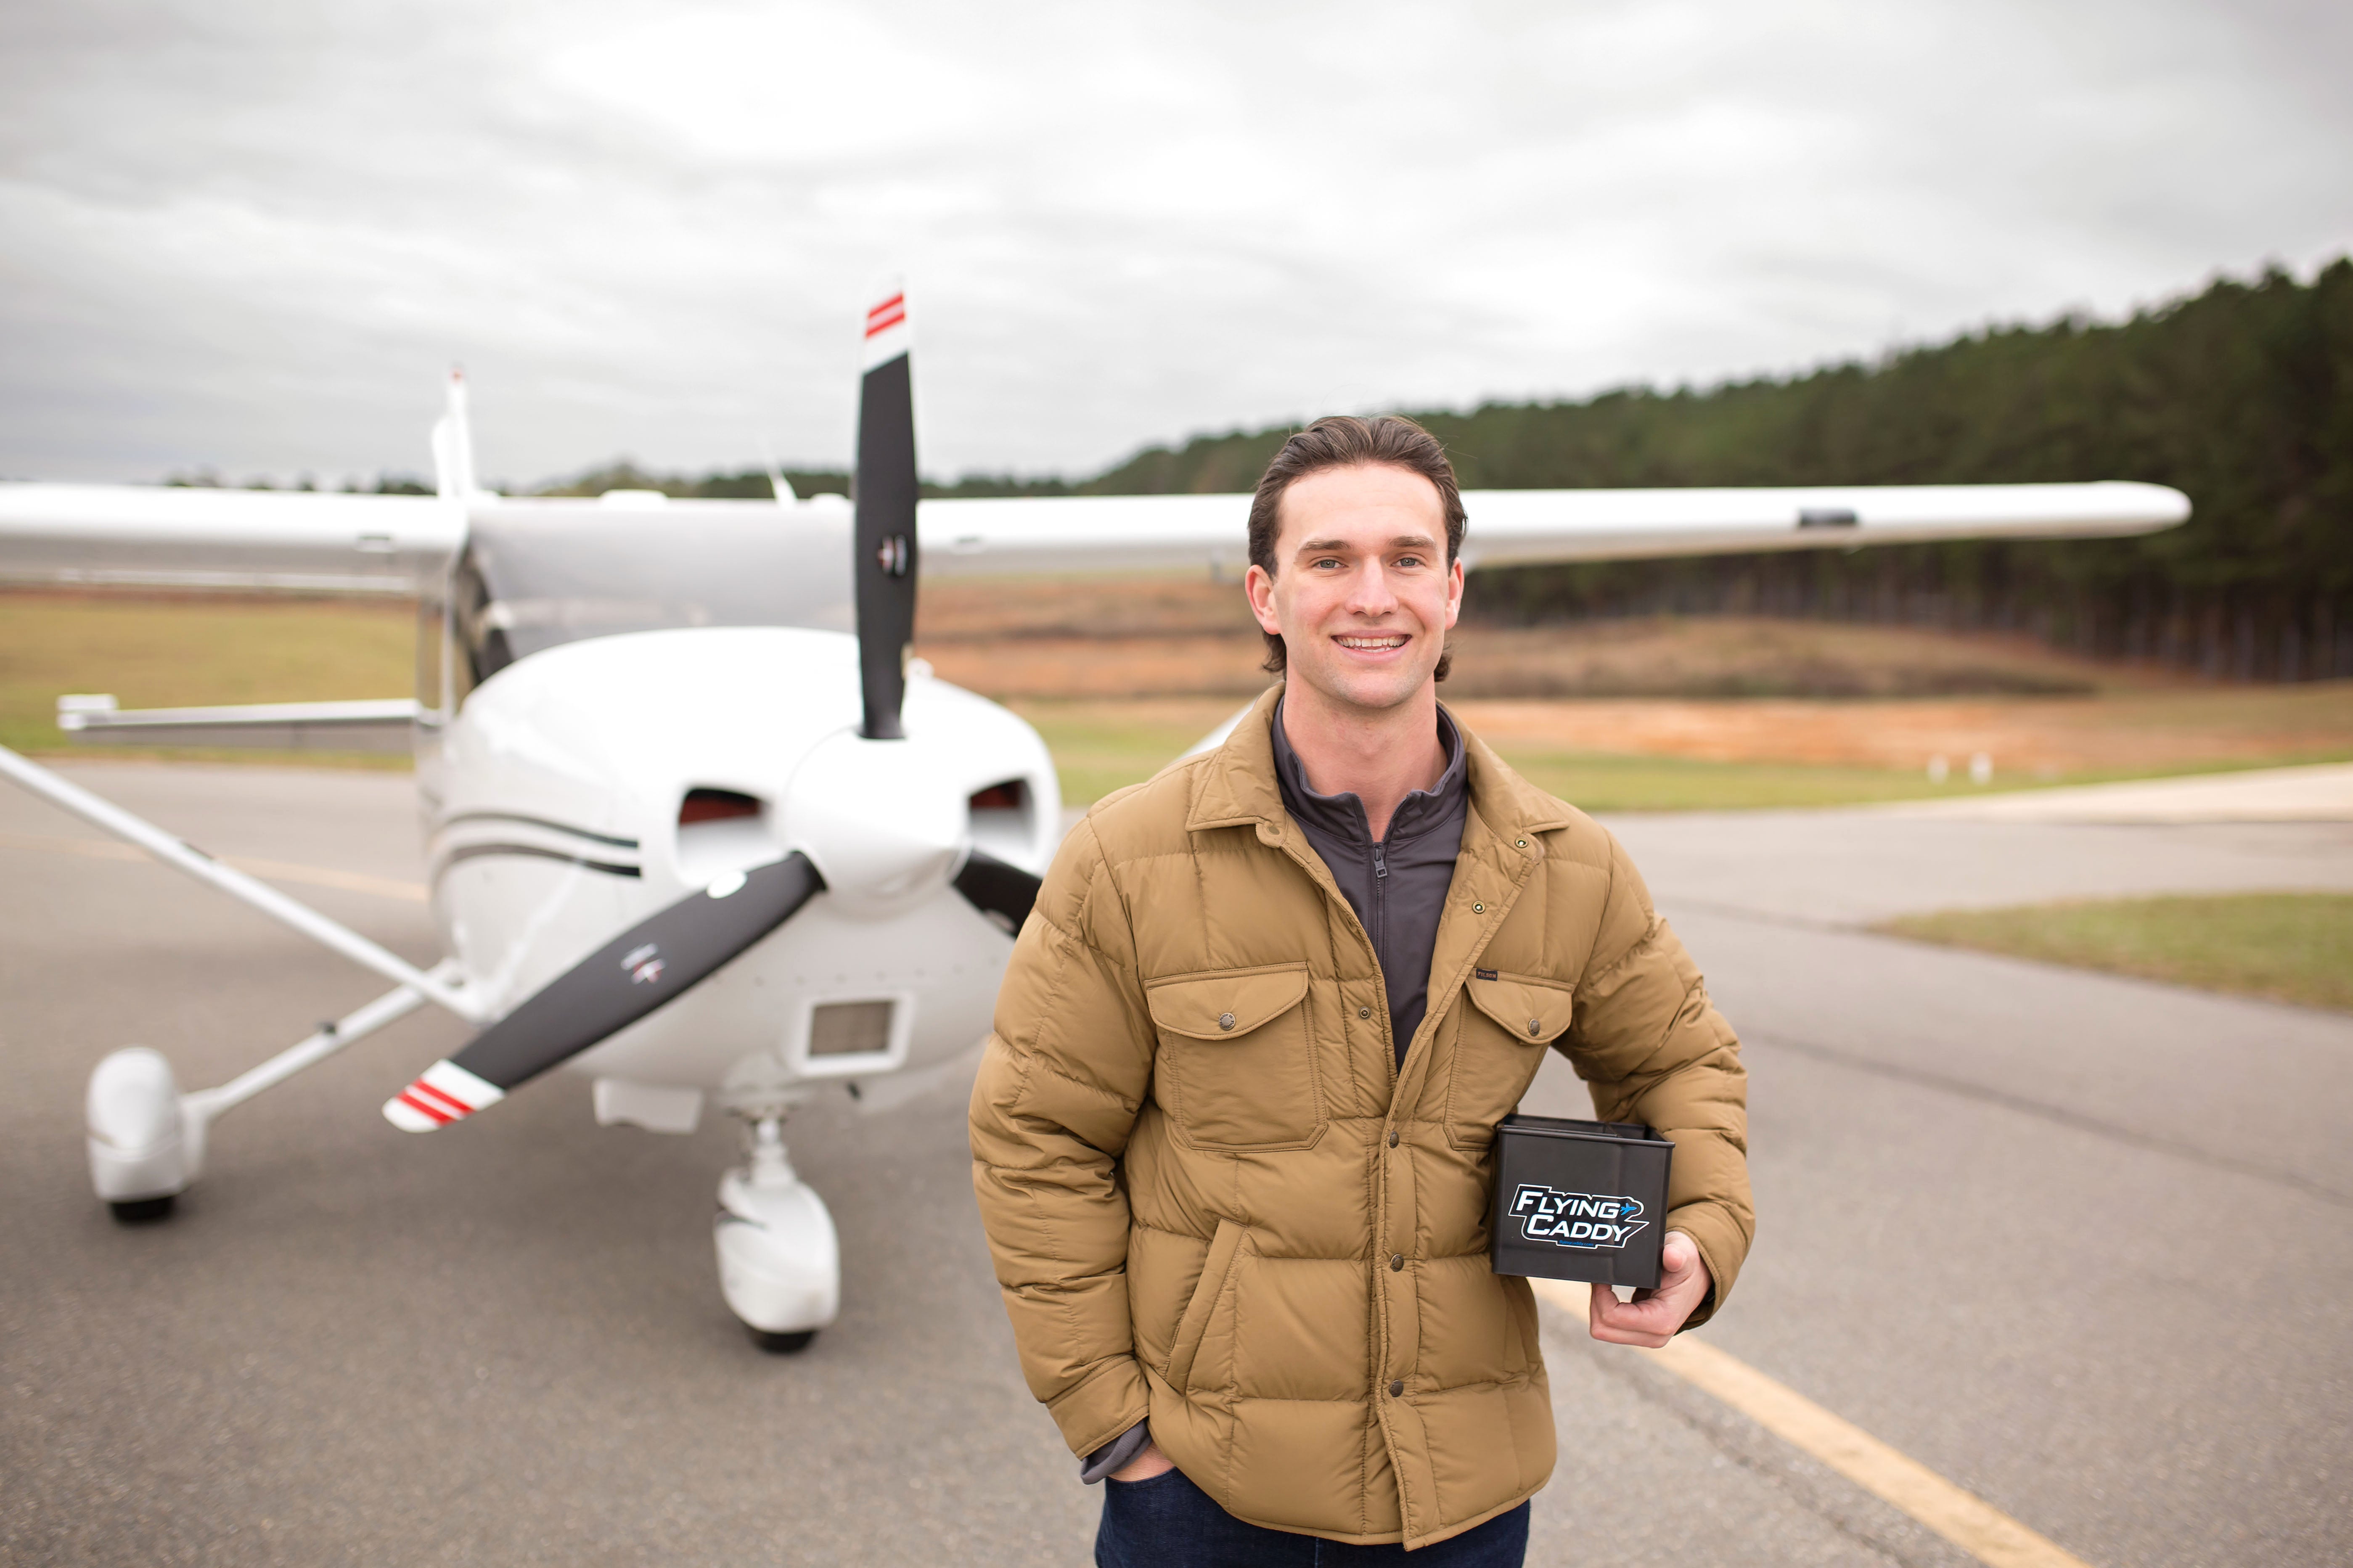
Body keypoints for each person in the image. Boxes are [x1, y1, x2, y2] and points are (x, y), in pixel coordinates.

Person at [969, 415, 1753, 1563]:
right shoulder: (1126, 860)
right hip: (1201, 1494)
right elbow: (1036, 1136)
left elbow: (1682, 1062)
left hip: (1465, 1500)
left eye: (1407, 558)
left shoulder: (1567, 864)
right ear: (1266, 595)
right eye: (1329, 560)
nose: (1372, 595)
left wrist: (1699, 1235)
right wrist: (1112, 1421)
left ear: (1453, 591)